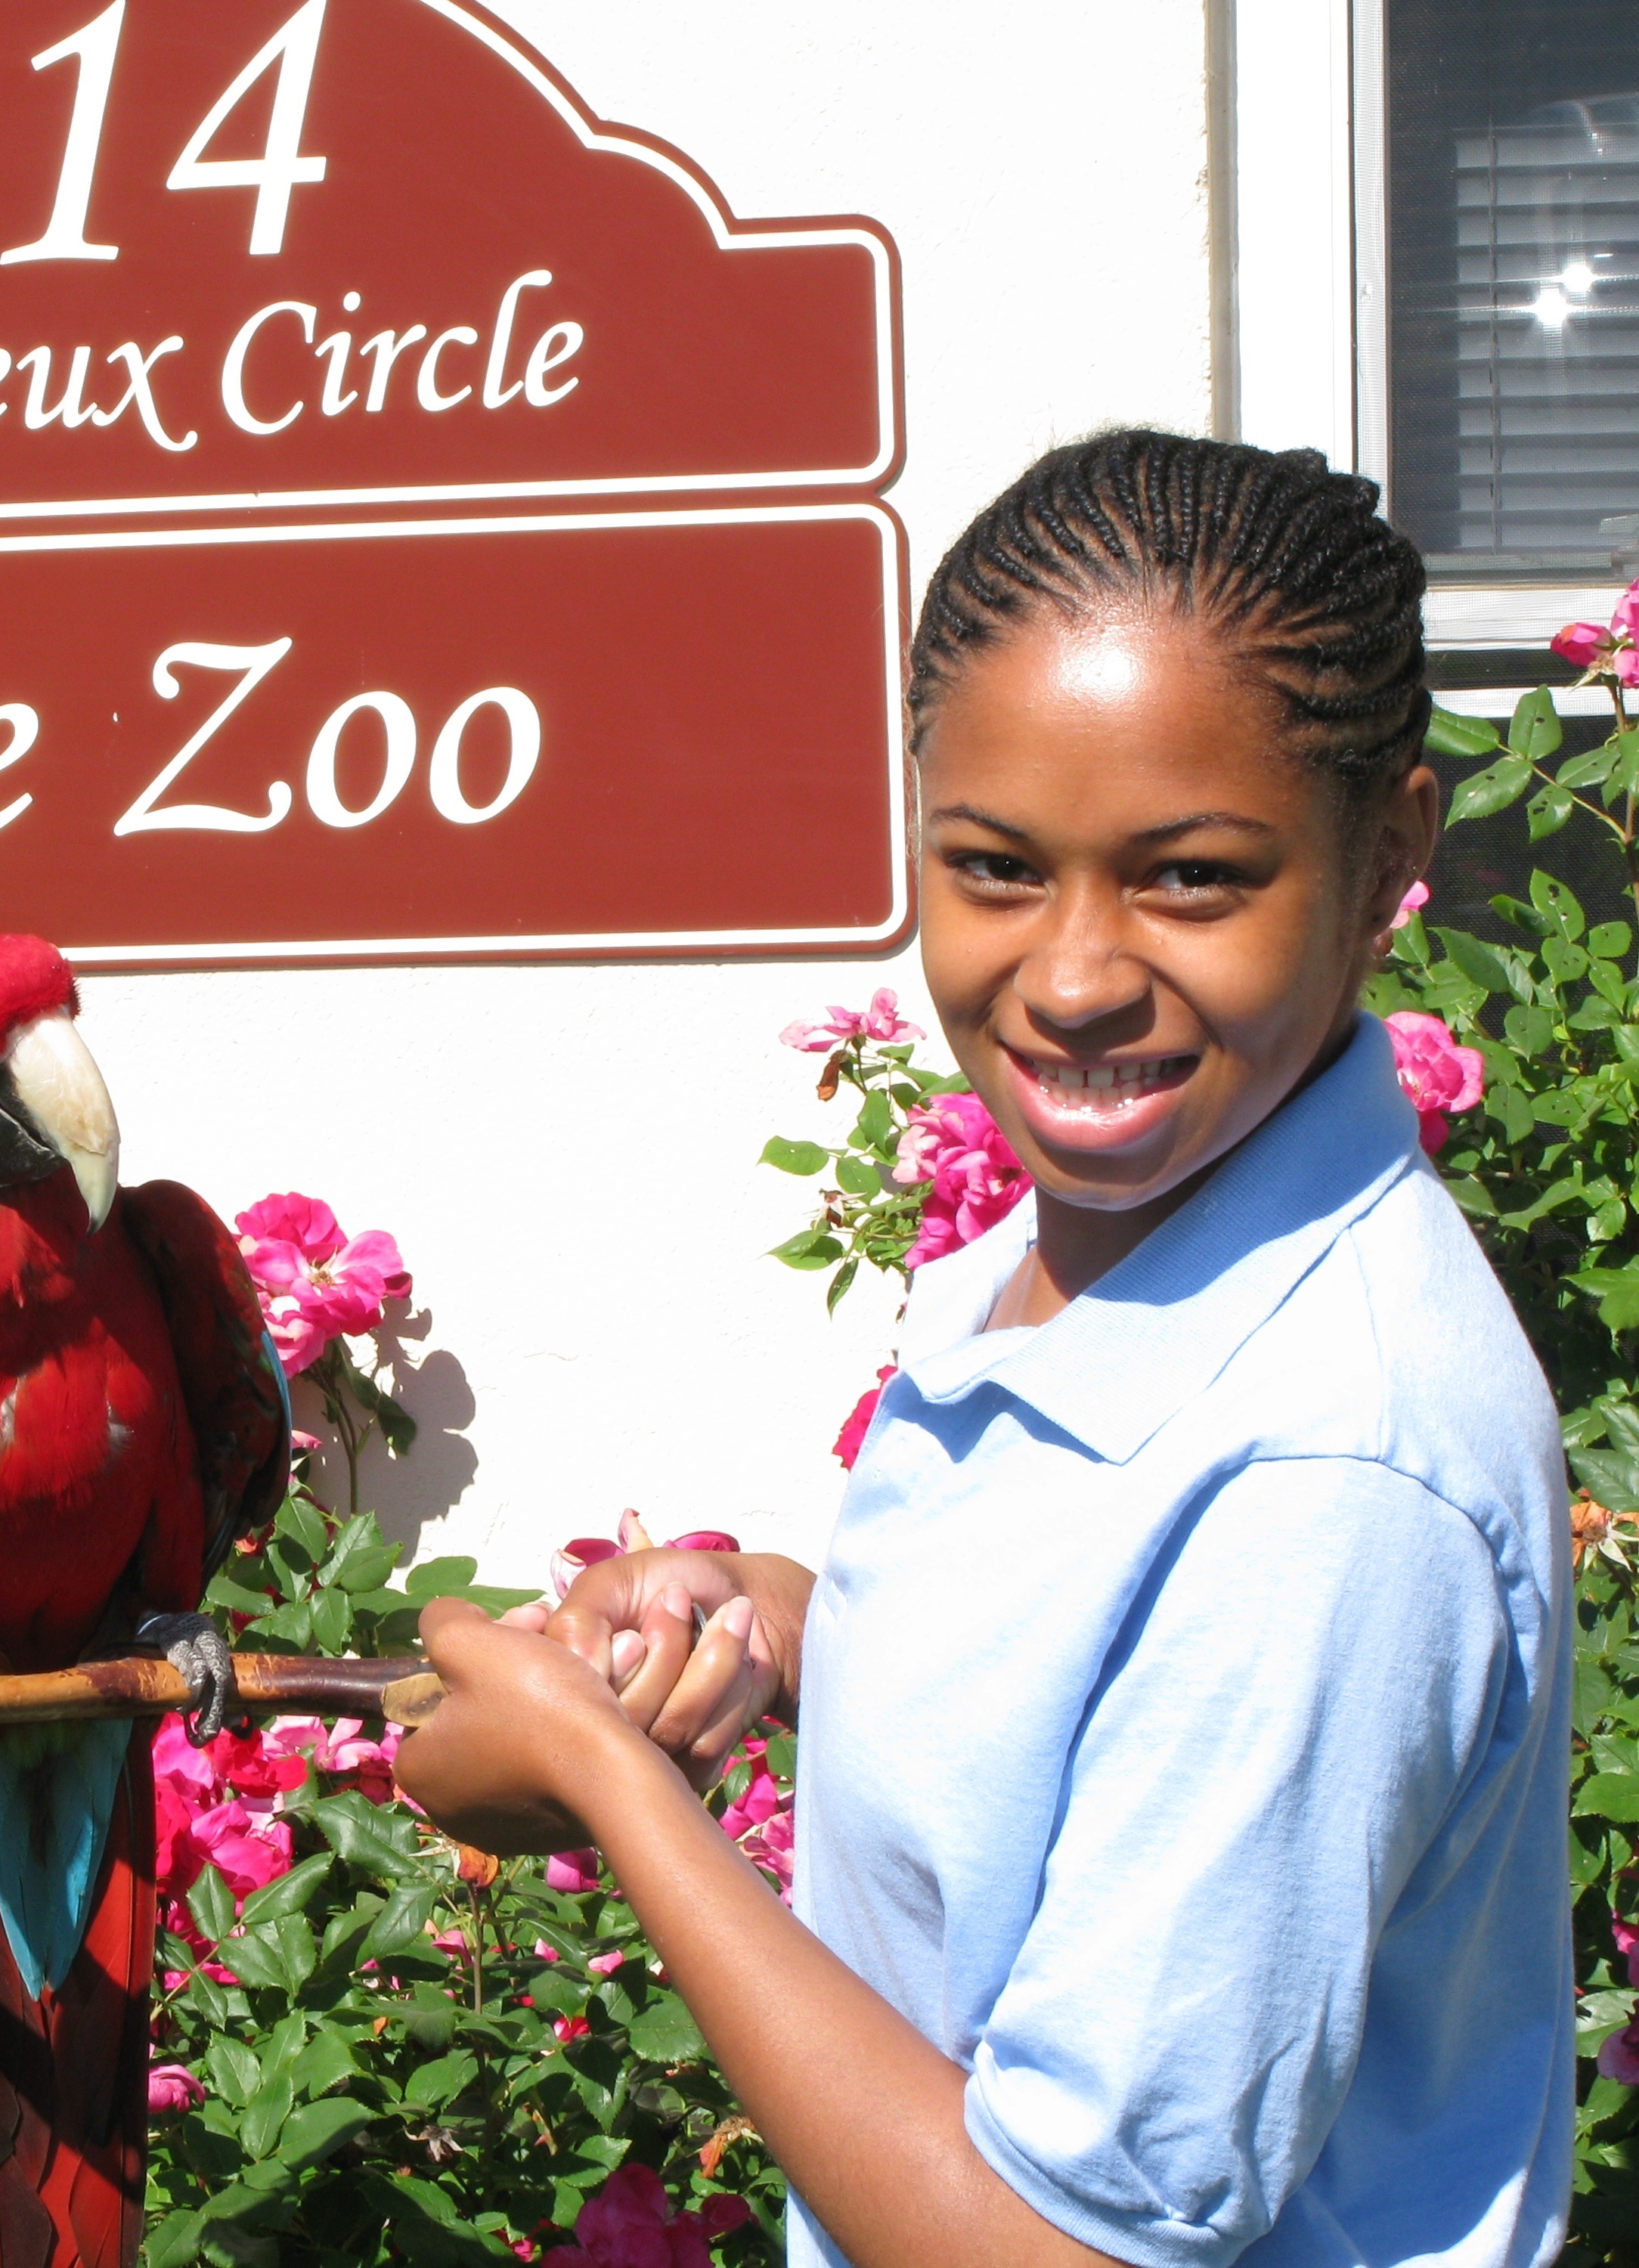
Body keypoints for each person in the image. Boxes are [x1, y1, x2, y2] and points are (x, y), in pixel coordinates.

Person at [395, 430, 1574, 2268]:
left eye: (1190, 878)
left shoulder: (1325, 1468)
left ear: (1389, 856)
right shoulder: (1092, 1255)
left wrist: (619, 1790)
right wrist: (779, 1628)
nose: (1076, 972)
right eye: (994, 865)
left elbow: (1063, 2245)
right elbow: (1069, 1704)